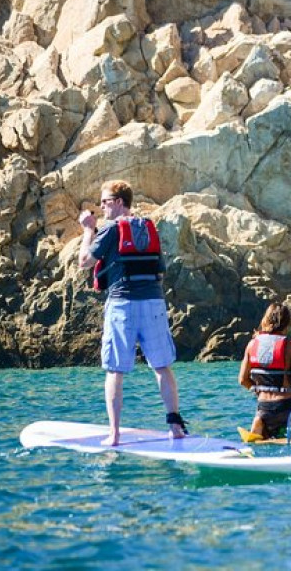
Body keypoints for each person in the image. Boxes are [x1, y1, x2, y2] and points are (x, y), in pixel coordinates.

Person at [77, 180, 187, 446]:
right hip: (153, 302)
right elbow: (159, 270)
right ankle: (175, 427)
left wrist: (88, 230)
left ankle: (114, 434)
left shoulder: (110, 230)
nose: (102, 207)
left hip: (122, 303)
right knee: (162, 366)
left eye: (104, 202)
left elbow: (84, 263)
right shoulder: (148, 227)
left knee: (115, 370)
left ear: (117, 202)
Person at [237, 302, 291, 440]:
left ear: (265, 319)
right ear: (287, 323)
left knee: (267, 423)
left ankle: (259, 421)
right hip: (287, 407)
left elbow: (243, 380)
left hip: (264, 407)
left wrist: (258, 390)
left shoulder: (251, 345)